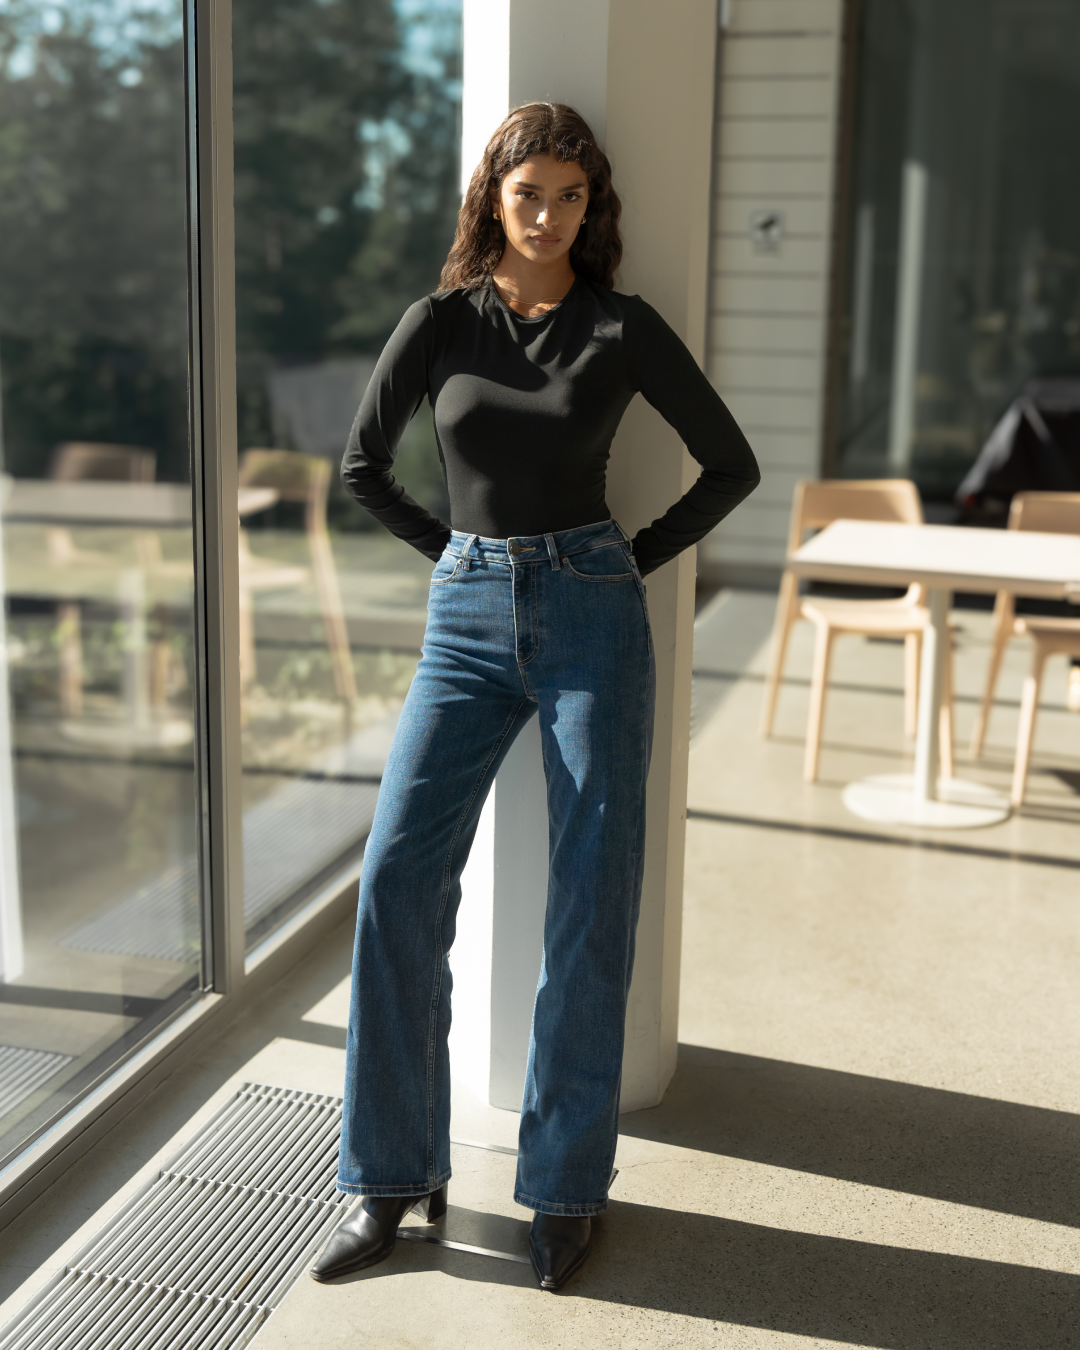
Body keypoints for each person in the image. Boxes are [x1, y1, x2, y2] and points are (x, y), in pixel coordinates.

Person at [310, 102, 759, 1293]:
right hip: (463, 622)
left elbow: (733, 465)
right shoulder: (442, 322)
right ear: (492, 201)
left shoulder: (621, 325)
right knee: (399, 879)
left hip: (593, 620)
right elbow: (360, 465)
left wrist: (625, 561)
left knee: (592, 902)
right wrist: (454, 556)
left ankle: (562, 1191)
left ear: (590, 206)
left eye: (570, 196)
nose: (550, 216)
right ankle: (388, 1179)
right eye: (529, 196)